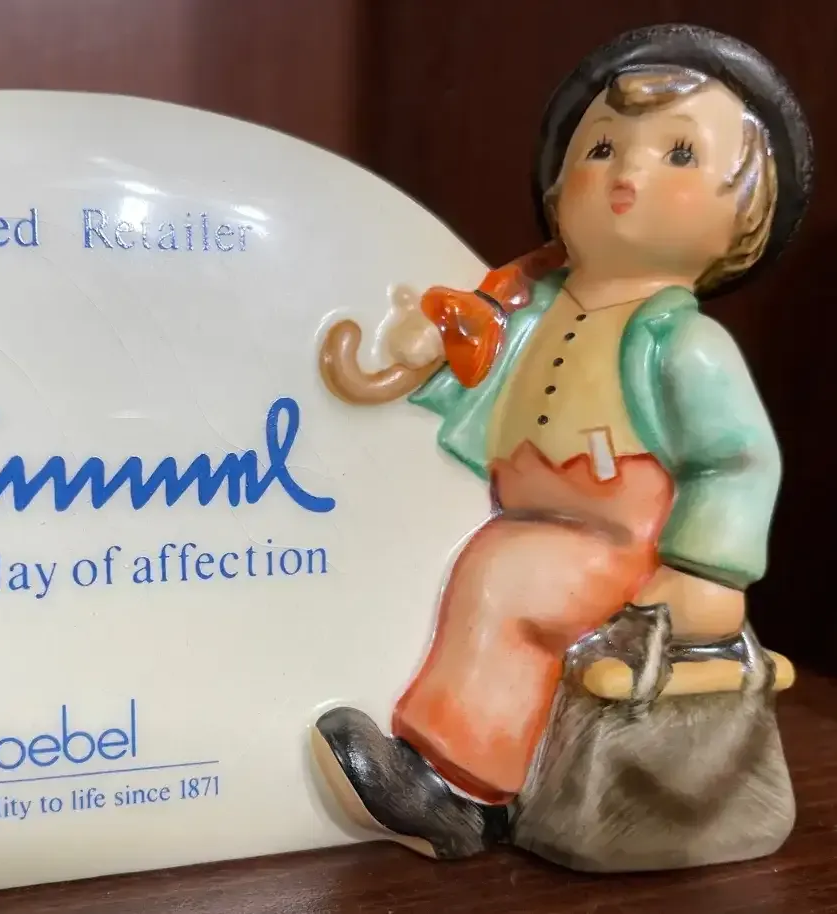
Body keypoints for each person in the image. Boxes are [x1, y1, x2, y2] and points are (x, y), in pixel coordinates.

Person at [312, 23, 813, 861]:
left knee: (504, 577)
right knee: (458, 557)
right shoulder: (530, 311)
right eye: (603, 147)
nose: (626, 172)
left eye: (678, 155)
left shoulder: (681, 343)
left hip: (624, 552)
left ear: (745, 215)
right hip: (525, 514)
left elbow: (734, 461)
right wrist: (420, 353)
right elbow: (473, 381)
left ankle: (456, 791)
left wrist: (703, 571)